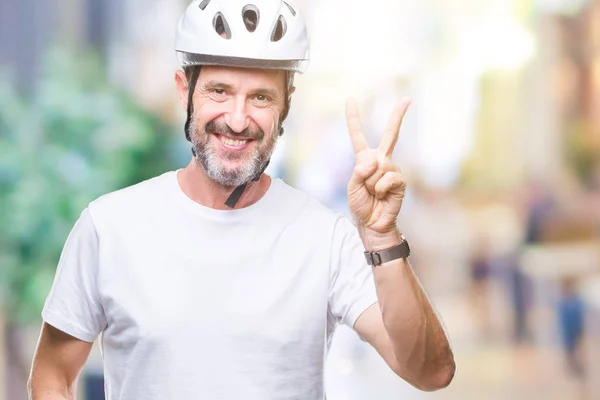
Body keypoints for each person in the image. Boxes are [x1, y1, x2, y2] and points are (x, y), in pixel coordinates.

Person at [27, 1, 455, 399]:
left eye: (261, 97)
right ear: (184, 89)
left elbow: (430, 371)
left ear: (286, 104)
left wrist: (382, 237)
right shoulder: (109, 226)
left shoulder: (325, 238)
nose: (236, 119)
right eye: (219, 91)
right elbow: (52, 373)